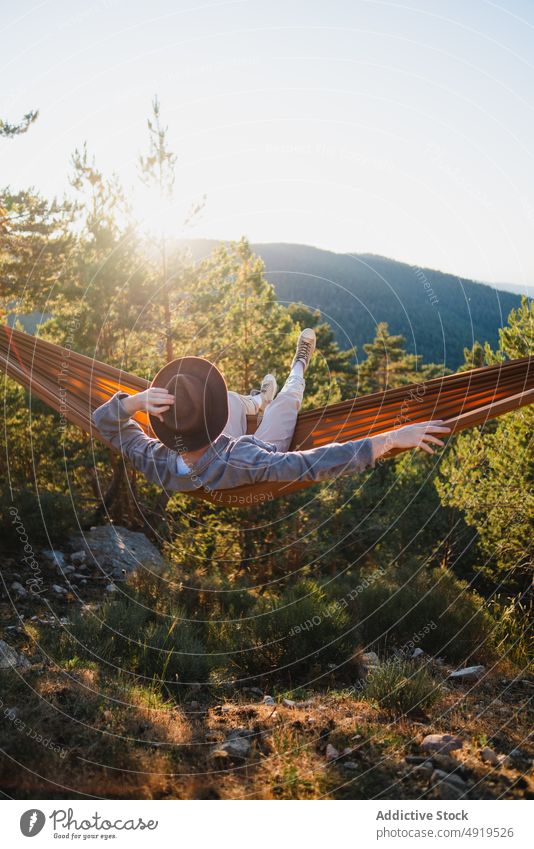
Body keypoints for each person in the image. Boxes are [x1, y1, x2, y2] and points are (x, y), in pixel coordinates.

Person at [91, 329, 451, 495]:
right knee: (288, 401)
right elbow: (310, 462)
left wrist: (134, 403)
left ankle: (256, 401)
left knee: (231, 399)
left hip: (210, 447)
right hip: (256, 445)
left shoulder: (158, 459)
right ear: (211, 425)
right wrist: (389, 439)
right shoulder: (247, 460)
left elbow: (104, 423)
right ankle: (298, 367)